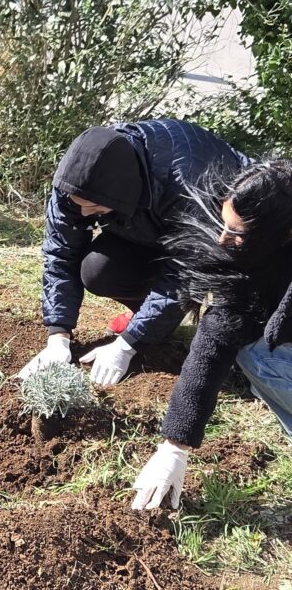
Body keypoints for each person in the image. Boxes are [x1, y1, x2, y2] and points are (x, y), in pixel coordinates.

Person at [18, 119, 249, 386]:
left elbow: (186, 272)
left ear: (122, 191)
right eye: (77, 204)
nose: (83, 213)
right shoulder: (77, 181)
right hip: (149, 228)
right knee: (99, 271)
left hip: (233, 237)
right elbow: (61, 255)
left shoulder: (189, 181)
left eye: (93, 206)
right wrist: (58, 336)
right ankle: (150, 318)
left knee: (240, 335)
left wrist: (127, 344)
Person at [132, 160, 292, 509]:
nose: (223, 239)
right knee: (251, 349)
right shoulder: (255, 261)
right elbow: (215, 341)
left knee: (262, 356)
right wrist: (175, 445)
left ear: (281, 233)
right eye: (225, 225)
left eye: (238, 232)